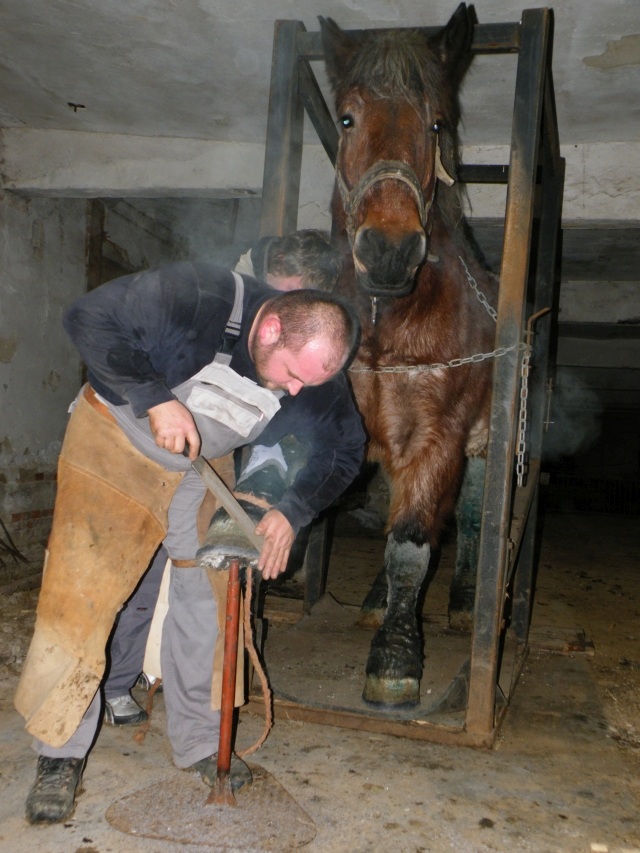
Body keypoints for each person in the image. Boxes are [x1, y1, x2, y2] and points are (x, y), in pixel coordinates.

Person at [16, 260, 365, 825]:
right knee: (80, 596)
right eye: (292, 375)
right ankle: (59, 751)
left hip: (200, 468)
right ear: (270, 328)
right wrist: (154, 397)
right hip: (113, 442)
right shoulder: (195, 294)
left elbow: (345, 449)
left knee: (209, 595)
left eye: (308, 384)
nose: (297, 391)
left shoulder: (313, 375)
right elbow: (88, 316)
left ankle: (200, 741)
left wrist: (292, 510)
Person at [102, 229, 343, 727]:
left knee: (200, 583)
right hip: (139, 446)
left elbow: (336, 444)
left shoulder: (311, 356)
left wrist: (289, 508)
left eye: (293, 293)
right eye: (275, 288)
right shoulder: (218, 304)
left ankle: (183, 706)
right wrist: (153, 400)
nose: (280, 304)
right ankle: (115, 680)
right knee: (129, 571)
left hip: (215, 470)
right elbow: (107, 331)